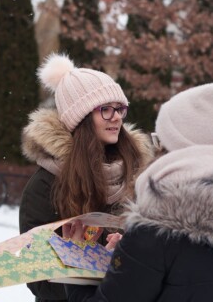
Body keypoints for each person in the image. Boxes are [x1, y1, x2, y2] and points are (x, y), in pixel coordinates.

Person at [65, 83, 213, 302]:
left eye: (159, 140)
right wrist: (127, 257)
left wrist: (76, 258)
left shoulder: (154, 232)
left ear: (175, 146)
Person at [19, 53, 154, 302]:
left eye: (119, 109)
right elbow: (36, 275)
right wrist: (85, 265)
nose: (116, 117)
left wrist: (127, 252)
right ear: (80, 117)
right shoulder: (45, 184)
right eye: (105, 109)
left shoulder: (137, 175)